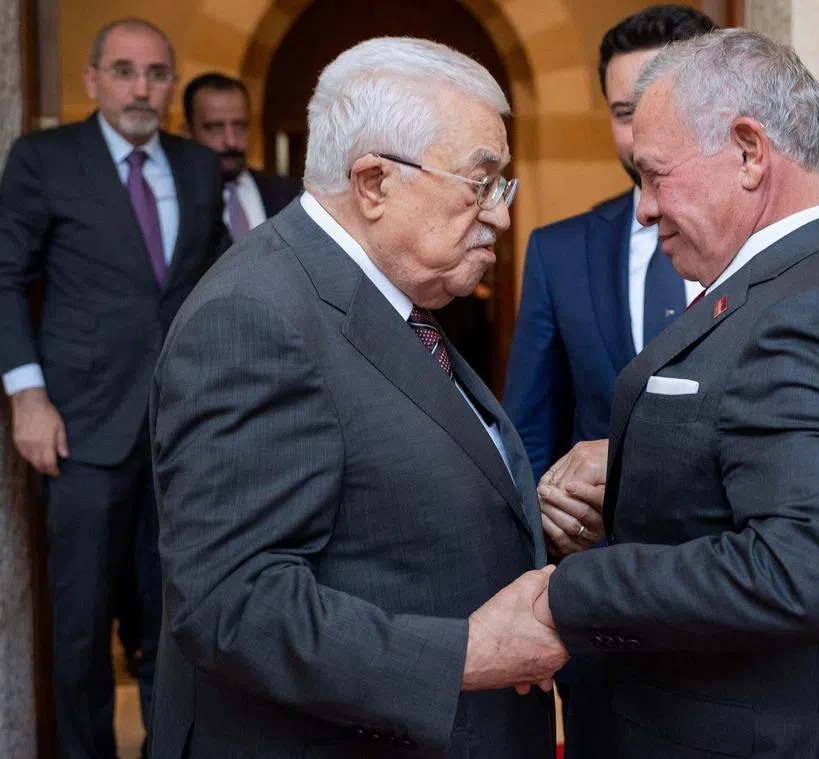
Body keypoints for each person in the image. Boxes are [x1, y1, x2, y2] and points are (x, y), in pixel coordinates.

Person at [148, 37, 566, 759]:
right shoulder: (255, 316)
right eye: (481, 183)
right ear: (374, 182)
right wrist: (465, 654)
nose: (499, 215)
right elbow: (230, 605)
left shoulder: (383, 292)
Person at [537, 29, 819, 758]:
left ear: (749, 152)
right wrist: (628, 471)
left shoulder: (812, 309)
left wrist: (569, 591)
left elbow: (797, 573)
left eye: (655, 175)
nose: (643, 209)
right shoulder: (789, 285)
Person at [0, 17, 228, 757]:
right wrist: (27, 396)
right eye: (124, 71)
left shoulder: (199, 167)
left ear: (171, 85)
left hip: (183, 434)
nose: (141, 88)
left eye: (157, 74)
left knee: (176, 619)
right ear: (92, 80)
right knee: (81, 626)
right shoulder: (44, 160)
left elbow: (221, 288)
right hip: (81, 431)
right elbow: (5, 279)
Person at [503, 10, 715, 753]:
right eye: (626, 112)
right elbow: (528, 434)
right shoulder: (558, 251)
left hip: (734, 616)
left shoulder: (763, 251)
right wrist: (542, 526)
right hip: (598, 617)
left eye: (662, 105)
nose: (641, 133)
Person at [182, 72, 301, 239]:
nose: (231, 141)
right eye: (215, 127)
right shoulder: (176, 201)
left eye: (240, 126)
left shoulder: (290, 195)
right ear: (187, 132)